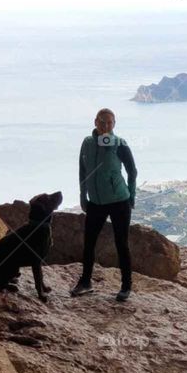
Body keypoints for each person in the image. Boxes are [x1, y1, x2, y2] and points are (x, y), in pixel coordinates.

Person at [69, 108, 137, 302]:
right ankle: (85, 282)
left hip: (119, 201)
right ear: (95, 122)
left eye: (109, 123)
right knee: (89, 243)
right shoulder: (87, 143)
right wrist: (83, 196)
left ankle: (126, 286)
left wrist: (131, 196)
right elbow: (82, 171)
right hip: (96, 202)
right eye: (102, 122)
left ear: (114, 124)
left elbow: (132, 171)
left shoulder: (119, 144)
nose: (105, 126)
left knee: (121, 243)